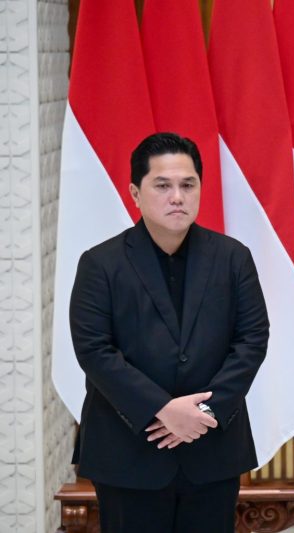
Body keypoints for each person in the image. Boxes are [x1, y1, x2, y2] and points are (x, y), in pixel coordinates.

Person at [69, 132, 269, 533]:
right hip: (128, 451)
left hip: (211, 448)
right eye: (162, 185)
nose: (177, 196)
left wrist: (203, 414)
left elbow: (252, 340)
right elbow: (94, 350)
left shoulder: (233, 258)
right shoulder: (100, 264)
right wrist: (163, 409)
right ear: (135, 193)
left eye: (187, 185)